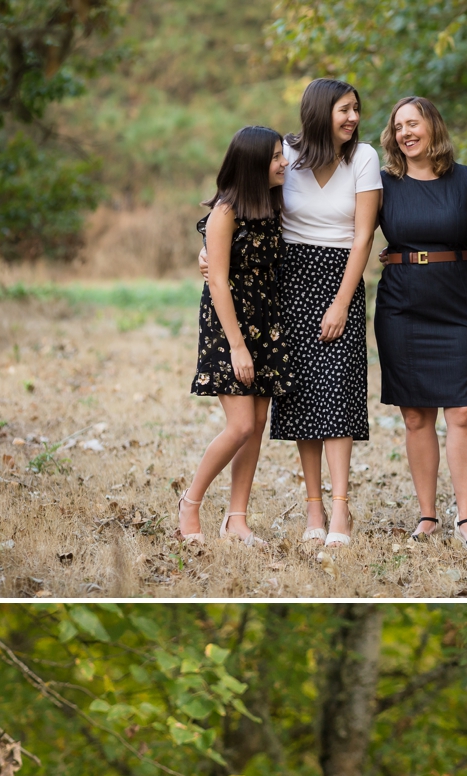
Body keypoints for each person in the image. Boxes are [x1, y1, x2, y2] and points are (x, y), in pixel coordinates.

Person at [375, 98, 467, 553]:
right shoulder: (383, 184)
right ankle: (427, 516)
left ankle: (466, 518)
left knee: (463, 413)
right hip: (402, 304)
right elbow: (348, 232)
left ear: (433, 127)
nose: (405, 132)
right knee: (415, 414)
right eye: (398, 126)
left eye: (413, 123)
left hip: (459, 304)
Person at [271, 78, 381, 549]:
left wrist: (340, 301)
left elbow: (363, 236)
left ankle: (340, 508)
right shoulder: (285, 154)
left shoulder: (364, 158)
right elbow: (242, 197)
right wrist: (207, 247)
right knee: (301, 396)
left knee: (336, 391)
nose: (353, 117)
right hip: (291, 280)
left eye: (356, 109)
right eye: (344, 109)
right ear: (320, 112)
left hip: (341, 278)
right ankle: (313, 507)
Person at [179, 127, 293, 548]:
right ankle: (190, 503)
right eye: (276, 157)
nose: (284, 163)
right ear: (253, 163)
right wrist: (237, 346)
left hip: (267, 320)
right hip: (230, 325)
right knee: (241, 424)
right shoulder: (226, 212)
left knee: (257, 424)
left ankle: (236, 520)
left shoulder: (272, 205)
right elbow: (217, 282)